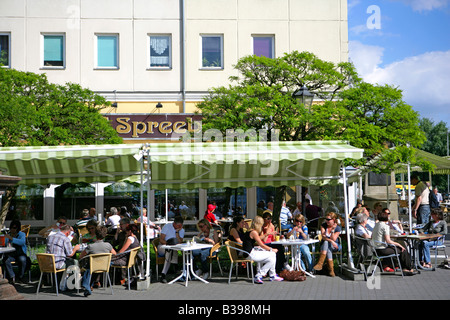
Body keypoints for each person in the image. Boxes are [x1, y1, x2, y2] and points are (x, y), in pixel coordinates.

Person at [242, 216, 284, 284]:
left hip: (249, 252)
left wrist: (267, 234)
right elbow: (262, 244)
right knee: (272, 254)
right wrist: (271, 249)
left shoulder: (251, 231)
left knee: (271, 258)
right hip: (250, 254)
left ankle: (270, 275)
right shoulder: (254, 232)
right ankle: (263, 275)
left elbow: (259, 238)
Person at [371, 210, 415, 275]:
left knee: (397, 249)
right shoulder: (385, 226)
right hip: (382, 249)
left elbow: (372, 236)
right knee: (403, 250)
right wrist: (399, 245)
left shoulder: (376, 225)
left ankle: (404, 267)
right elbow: (388, 240)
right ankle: (407, 268)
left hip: (375, 249)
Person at [79, 225, 116, 297]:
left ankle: (87, 285)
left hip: (93, 267)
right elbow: (114, 254)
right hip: (104, 266)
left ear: (95, 235)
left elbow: (81, 256)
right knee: (91, 267)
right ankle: (89, 285)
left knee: (88, 268)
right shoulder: (108, 245)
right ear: (105, 235)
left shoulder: (91, 246)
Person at [313, 212, 341, 277]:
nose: (327, 221)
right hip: (326, 245)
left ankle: (320, 264)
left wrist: (332, 230)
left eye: (328, 220)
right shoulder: (323, 225)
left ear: (333, 220)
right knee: (327, 244)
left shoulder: (337, 228)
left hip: (335, 245)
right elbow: (323, 237)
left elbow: (334, 239)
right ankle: (331, 270)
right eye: (326, 219)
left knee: (328, 245)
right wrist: (331, 241)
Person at [158, 216, 185, 283]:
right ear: (174, 223)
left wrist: (177, 232)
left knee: (171, 252)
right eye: (178, 225)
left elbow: (180, 241)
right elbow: (161, 240)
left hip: (173, 248)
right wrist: (168, 243)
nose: (179, 227)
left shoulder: (181, 230)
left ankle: (164, 274)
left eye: (181, 225)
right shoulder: (167, 227)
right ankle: (175, 269)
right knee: (170, 251)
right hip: (163, 247)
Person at [3, 220, 28, 284]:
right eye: (11, 228)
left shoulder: (22, 234)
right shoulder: (8, 234)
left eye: (14, 228)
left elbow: (22, 242)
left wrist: (12, 239)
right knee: (6, 260)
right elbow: (4, 244)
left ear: (18, 229)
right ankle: (12, 276)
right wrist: (6, 239)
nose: (12, 230)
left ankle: (20, 277)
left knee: (22, 260)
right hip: (11, 254)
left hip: (20, 253)